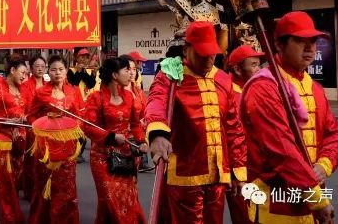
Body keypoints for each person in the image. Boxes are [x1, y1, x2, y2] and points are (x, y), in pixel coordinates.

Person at [240, 11, 338, 224]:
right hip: (275, 202)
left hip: (311, 194)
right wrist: (317, 199)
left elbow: (334, 134)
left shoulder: (315, 88)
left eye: (313, 41)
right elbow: (281, 149)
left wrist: (323, 166)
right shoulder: (264, 87)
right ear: (279, 45)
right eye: (300, 41)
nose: (310, 48)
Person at [145, 21, 247, 224]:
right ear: (186, 49)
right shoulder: (171, 76)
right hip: (185, 176)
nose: (209, 59)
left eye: (212, 53)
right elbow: (156, 101)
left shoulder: (223, 79)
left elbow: (234, 128)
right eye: (202, 53)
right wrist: (157, 133)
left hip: (218, 177)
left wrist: (237, 170)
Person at [84, 57, 147, 224]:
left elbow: (135, 125)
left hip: (125, 157)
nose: (130, 73)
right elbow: (88, 127)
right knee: (110, 199)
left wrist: (141, 142)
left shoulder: (130, 96)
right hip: (102, 157)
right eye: (126, 70)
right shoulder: (95, 98)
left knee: (126, 199)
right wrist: (110, 136)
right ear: (114, 75)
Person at [27, 55, 84, 224]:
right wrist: (41, 129)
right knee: (44, 184)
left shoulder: (74, 92)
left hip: (67, 145)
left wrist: (76, 130)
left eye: (60, 69)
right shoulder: (41, 93)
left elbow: (80, 116)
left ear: (66, 71)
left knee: (66, 185)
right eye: (53, 70)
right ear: (48, 72)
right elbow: (31, 116)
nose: (57, 73)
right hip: (46, 146)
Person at [224, 44, 264, 224]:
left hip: (259, 169)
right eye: (254, 65)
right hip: (241, 172)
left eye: (259, 64)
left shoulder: (254, 88)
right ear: (238, 69)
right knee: (245, 216)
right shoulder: (230, 94)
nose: (259, 69)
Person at [0, 59, 29, 224]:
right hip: (3, 137)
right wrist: (6, 120)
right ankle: (8, 215)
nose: (25, 77)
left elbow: (28, 109)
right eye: (22, 72)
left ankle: (12, 208)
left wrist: (25, 118)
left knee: (17, 177)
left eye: (26, 74)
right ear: (12, 70)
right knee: (6, 178)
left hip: (21, 138)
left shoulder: (23, 89)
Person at [21, 55, 48, 200]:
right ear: (31, 68)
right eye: (37, 66)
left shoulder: (48, 85)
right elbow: (23, 105)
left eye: (43, 66)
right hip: (31, 126)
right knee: (31, 159)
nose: (40, 69)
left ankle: (44, 188)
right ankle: (30, 190)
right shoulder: (25, 86)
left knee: (45, 158)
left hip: (47, 126)